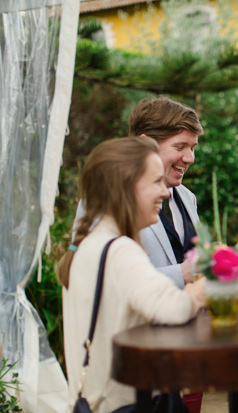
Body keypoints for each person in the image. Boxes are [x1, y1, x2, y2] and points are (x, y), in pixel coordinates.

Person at [59, 137, 206, 412]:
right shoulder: (119, 250)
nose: (165, 192)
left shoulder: (89, 245)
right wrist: (206, 283)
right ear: (125, 188)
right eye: (155, 182)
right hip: (127, 403)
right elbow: (174, 309)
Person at [74, 97, 203, 289]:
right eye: (180, 147)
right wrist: (181, 274)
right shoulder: (106, 197)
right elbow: (95, 277)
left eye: (193, 148)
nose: (190, 158)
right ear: (145, 145)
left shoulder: (188, 198)